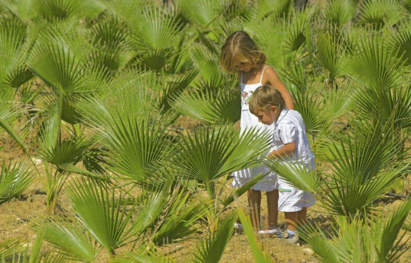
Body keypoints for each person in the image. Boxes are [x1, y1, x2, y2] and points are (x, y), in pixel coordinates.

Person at [220, 31, 294, 235]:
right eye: (236, 66)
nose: (240, 68)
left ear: (252, 53)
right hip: (248, 138)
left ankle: (270, 225)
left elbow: (286, 95)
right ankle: (254, 225)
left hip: (267, 135)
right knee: (251, 184)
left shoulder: (266, 73)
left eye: (242, 63)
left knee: (270, 183)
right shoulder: (242, 74)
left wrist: (288, 122)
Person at [249, 85, 315, 244]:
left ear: (272, 109)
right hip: (306, 165)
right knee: (302, 200)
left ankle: (291, 234)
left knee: (290, 201)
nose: (259, 120)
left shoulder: (284, 124)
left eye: (260, 116)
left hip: (291, 169)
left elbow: (290, 146)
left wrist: (271, 155)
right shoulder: (294, 114)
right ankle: (303, 230)